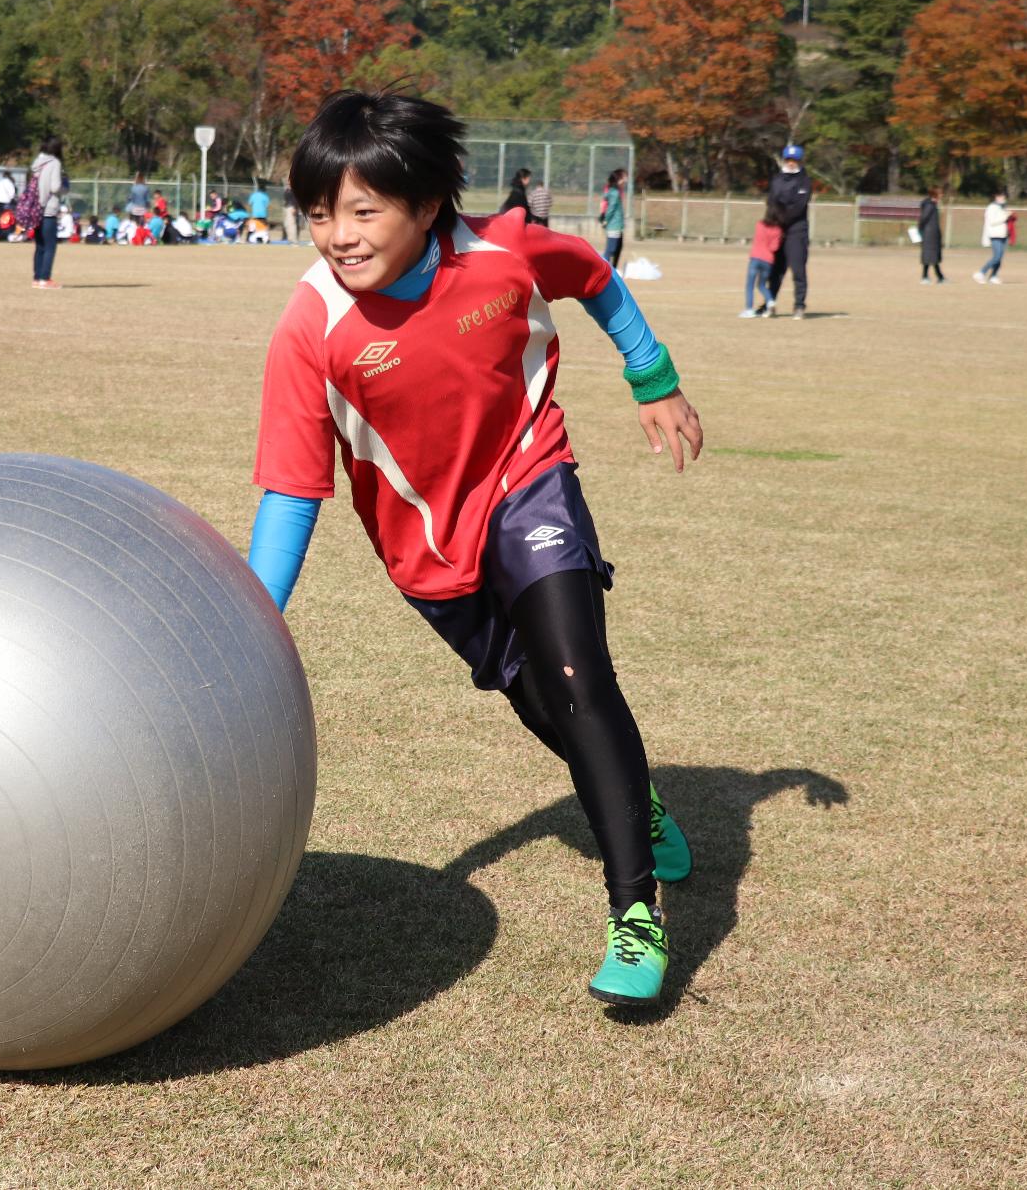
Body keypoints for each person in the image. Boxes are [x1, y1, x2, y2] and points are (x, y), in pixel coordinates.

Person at [248, 89, 701, 1007]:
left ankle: (636, 912)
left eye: (364, 210)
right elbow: (294, 489)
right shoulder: (310, 327)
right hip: (425, 549)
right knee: (542, 702)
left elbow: (596, 280)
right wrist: (251, 620)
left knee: (577, 674)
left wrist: (651, 374)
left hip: (529, 477)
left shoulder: (505, 250)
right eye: (320, 213)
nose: (339, 234)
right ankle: (638, 798)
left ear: (427, 201)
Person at [765, 143, 812, 318]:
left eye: (795, 160)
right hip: (777, 229)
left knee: (798, 269)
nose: (791, 163)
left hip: (796, 231)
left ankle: (799, 305)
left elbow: (798, 207)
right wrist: (772, 223)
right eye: (789, 159)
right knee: (775, 270)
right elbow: (771, 201)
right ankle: (770, 303)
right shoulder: (777, 179)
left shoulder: (805, 181)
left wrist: (783, 219)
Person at [29, 136, 65, 288]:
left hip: (35, 208)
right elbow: (55, 187)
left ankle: (37, 278)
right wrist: (65, 188)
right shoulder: (55, 163)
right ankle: (45, 278)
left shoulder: (38, 162)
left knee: (40, 245)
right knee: (50, 245)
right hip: (49, 208)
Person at [741, 198, 783, 317]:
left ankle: (749, 309)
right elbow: (774, 248)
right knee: (762, 285)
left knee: (750, 285)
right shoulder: (778, 230)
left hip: (755, 258)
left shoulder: (759, 225)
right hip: (768, 260)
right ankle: (770, 302)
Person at [975, 191, 1011, 285]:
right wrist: (1005, 216)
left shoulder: (1002, 207)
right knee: (997, 256)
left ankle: (993, 276)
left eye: (1003, 196)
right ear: (996, 197)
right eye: (1001, 196)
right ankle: (981, 272)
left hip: (1003, 235)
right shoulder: (992, 207)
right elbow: (992, 221)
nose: (1003, 198)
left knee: (999, 258)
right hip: (995, 235)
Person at [599, 168, 627, 271]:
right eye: (624, 176)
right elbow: (611, 207)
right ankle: (603, 269)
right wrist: (605, 219)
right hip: (614, 223)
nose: (626, 179)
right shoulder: (615, 192)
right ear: (619, 178)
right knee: (611, 249)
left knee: (613, 248)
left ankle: (609, 269)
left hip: (616, 223)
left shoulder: (615, 191)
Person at [918, 186, 946, 285]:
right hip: (929, 235)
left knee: (933, 257)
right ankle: (926, 277)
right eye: (940, 193)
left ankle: (940, 277)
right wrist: (920, 231)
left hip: (933, 234)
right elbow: (923, 219)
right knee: (929, 256)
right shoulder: (929, 205)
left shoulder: (933, 205)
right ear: (935, 194)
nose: (942, 195)